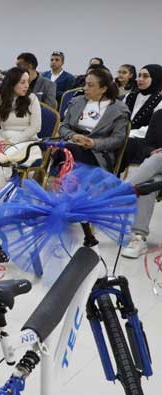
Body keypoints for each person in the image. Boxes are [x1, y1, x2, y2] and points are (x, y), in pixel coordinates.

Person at [0, 66, 42, 192]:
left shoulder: (32, 99)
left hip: (26, 141)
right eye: (22, 82)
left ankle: (0, 195)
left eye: (28, 82)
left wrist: (12, 141)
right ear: (12, 83)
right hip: (2, 138)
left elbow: (35, 127)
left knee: (4, 160)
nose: (26, 86)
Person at [57, 68, 130, 169]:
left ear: (103, 89)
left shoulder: (118, 110)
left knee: (69, 153)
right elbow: (63, 126)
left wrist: (94, 143)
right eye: (85, 84)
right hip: (72, 144)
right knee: (64, 151)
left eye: (90, 85)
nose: (85, 88)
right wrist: (73, 136)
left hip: (98, 152)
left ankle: (69, 180)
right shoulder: (76, 102)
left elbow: (118, 139)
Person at [121, 114, 162, 257]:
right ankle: (139, 237)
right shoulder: (159, 115)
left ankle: (119, 192)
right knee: (147, 187)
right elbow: (147, 145)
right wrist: (151, 151)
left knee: (158, 158)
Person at [120, 65, 162, 166]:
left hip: (144, 138)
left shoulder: (159, 100)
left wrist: (129, 133)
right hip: (122, 133)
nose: (140, 79)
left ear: (155, 78)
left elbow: (153, 129)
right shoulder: (130, 96)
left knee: (128, 144)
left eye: (145, 76)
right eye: (139, 76)